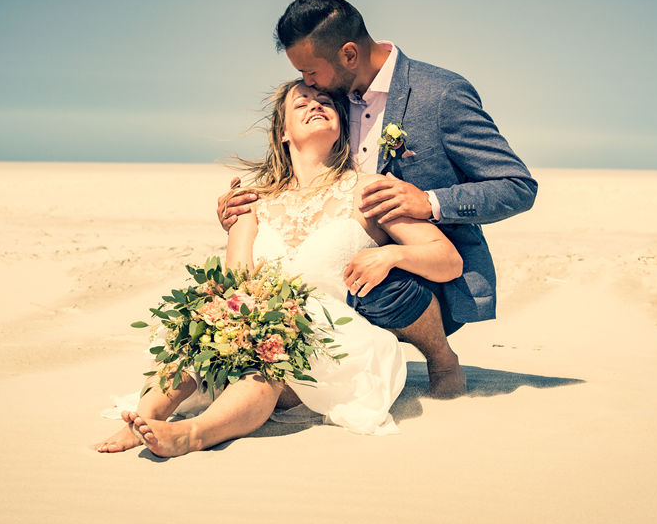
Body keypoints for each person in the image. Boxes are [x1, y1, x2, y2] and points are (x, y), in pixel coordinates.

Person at [94, 79, 462, 457]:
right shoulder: (251, 203)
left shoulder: (366, 190)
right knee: (201, 337)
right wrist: (231, 323)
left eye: (326, 103)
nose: (316, 106)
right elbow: (236, 281)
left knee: (272, 359)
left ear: (340, 127)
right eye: (302, 103)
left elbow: (448, 261)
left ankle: (194, 433)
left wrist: (392, 255)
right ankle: (143, 417)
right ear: (283, 132)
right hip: (260, 319)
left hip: (329, 340)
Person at [219, 0, 538, 399]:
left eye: (310, 71)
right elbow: (301, 165)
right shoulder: (330, 97)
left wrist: (430, 202)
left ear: (349, 54)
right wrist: (240, 209)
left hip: (419, 268)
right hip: (330, 255)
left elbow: (517, 186)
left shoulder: (440, 94)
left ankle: (441, 358)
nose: (307, 83)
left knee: (381, 286)